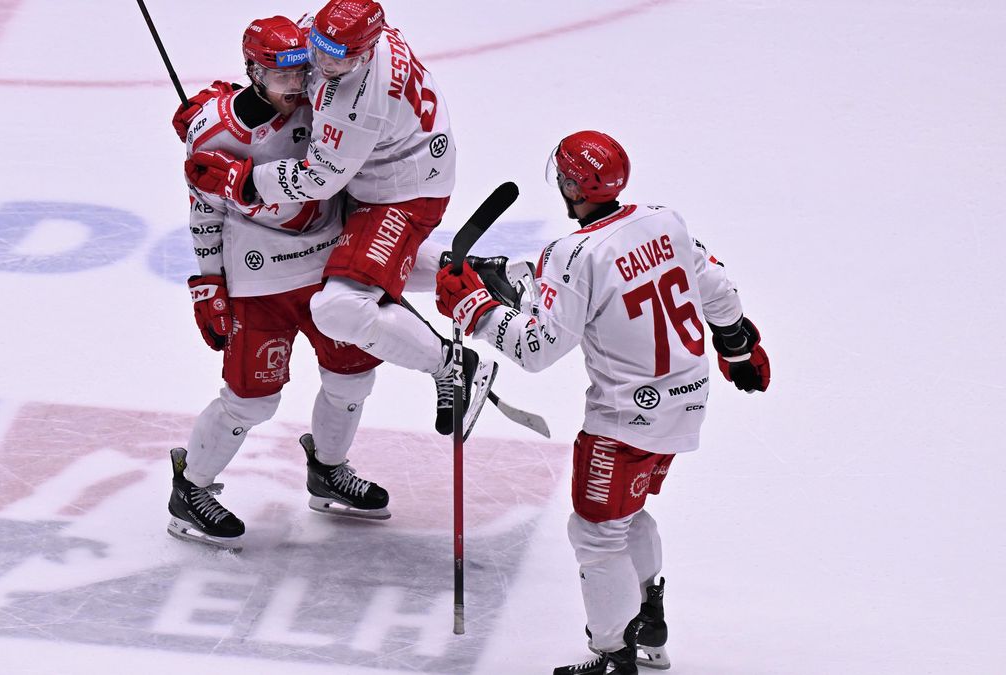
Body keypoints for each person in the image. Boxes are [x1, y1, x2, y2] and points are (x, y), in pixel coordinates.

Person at [434, 131, 771, 674]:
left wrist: (478, 309)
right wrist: (737, 344)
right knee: (625, 516)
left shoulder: (573, 254)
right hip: (687, 400)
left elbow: (538, 348)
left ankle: (615, 653)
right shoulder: (664, 220)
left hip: (626, 419)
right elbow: (715, 287)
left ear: (571, 186)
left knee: (595, 531)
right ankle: (648, 625)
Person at [180, 0, 496, 439]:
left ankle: (450, 365)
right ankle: (471, 272)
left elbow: (318, 179)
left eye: (339, 60)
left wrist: (244, 181)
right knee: (358, 268)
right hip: (399, 163)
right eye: (319, 50)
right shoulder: (344, 36)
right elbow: (288, 59)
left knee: (339, 309)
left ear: (366, 51)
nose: (323, 66)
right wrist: (233, 103)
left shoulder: (356, 103)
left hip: (401, 193)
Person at [165, 16, 390, 552]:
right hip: (259, 284)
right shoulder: (213, 132)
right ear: (252, 71)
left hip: (330, 267)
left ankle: (328, 470)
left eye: (301, 71)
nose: (295, 84)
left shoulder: (325, 102)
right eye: (279, 74)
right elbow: (204, 211)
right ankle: (190, 488)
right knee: (251, 401)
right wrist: (208, 285)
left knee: (352, 377)